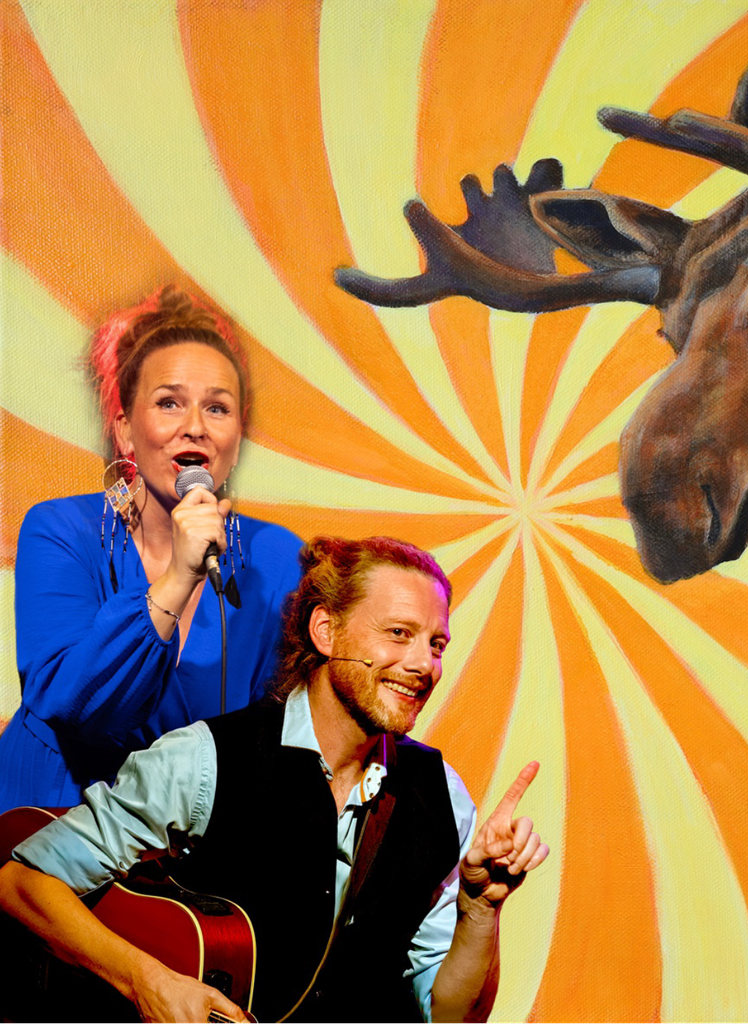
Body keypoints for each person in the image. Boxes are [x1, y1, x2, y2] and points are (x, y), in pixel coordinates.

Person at [0, 535, 549, 1023]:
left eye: (436, 644)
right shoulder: (204, 760)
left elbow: (453, 1015)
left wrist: (481, 908)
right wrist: (148, 983)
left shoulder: (442, 796)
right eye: (399, 633)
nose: (424, 664)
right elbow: (20, 884)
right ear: (326, 631)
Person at [0, 287, 303, 813]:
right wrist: (179, 577)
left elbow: (285, 729)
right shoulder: (61, 530)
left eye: (217, 408)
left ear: (236, 440)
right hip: (52, 818)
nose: (195, 427)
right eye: (169, 403)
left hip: (186, 836)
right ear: (124, 431)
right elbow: (77, 706)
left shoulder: (275, 558)